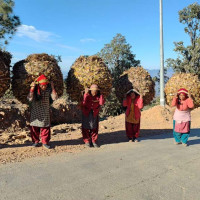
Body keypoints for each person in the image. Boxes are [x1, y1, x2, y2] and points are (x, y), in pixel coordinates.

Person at [28, 74, 58, 149]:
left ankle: (45, 142)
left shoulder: (48, 90)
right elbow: (29, 99)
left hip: (45, 112)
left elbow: (55, 98)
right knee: (34, 127)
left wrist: (52, 87)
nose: (44, 87)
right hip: (35, 112)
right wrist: (32, 88)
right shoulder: (34, 91)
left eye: (45, 85)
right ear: (39, 85)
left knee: (45, 128)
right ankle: (35, 141)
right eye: (42, 85)